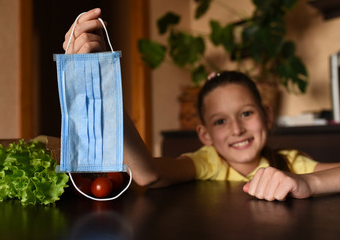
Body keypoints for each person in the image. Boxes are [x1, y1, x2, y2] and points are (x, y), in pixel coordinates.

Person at [63, 8, 340, 201]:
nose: (237, 129)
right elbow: (148, 175)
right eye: (220, 121)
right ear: (205, 135)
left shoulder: (291, 162)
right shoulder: (209, 162)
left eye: (246, 113)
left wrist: (307, 182)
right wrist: (102, 86)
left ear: (267, 115)